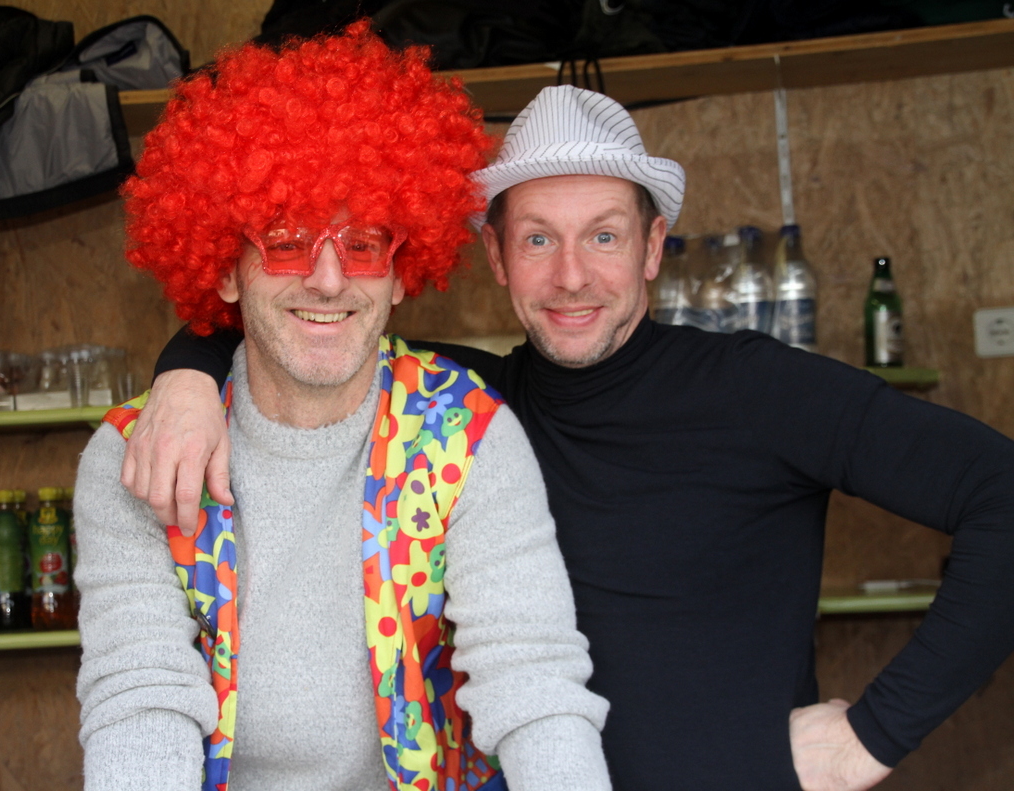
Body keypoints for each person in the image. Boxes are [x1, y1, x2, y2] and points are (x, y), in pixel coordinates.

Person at [124, 81, 1014, 791]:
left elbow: (1000, 494)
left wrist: (873, 735)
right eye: (539, 240)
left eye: (605, 236)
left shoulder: (759, 390)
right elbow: (305, 323)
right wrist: (188, 376)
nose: (573, 276)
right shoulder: (467, 406)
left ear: (653, 248)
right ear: (497, 257)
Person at [72, 25, 612, 791]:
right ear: (226, 270)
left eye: (362, 245)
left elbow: (531, 682)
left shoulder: (467, 435)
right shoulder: (139, 454)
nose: (328, 280)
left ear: (401, 274)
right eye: (287, 241)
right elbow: (139, 697)